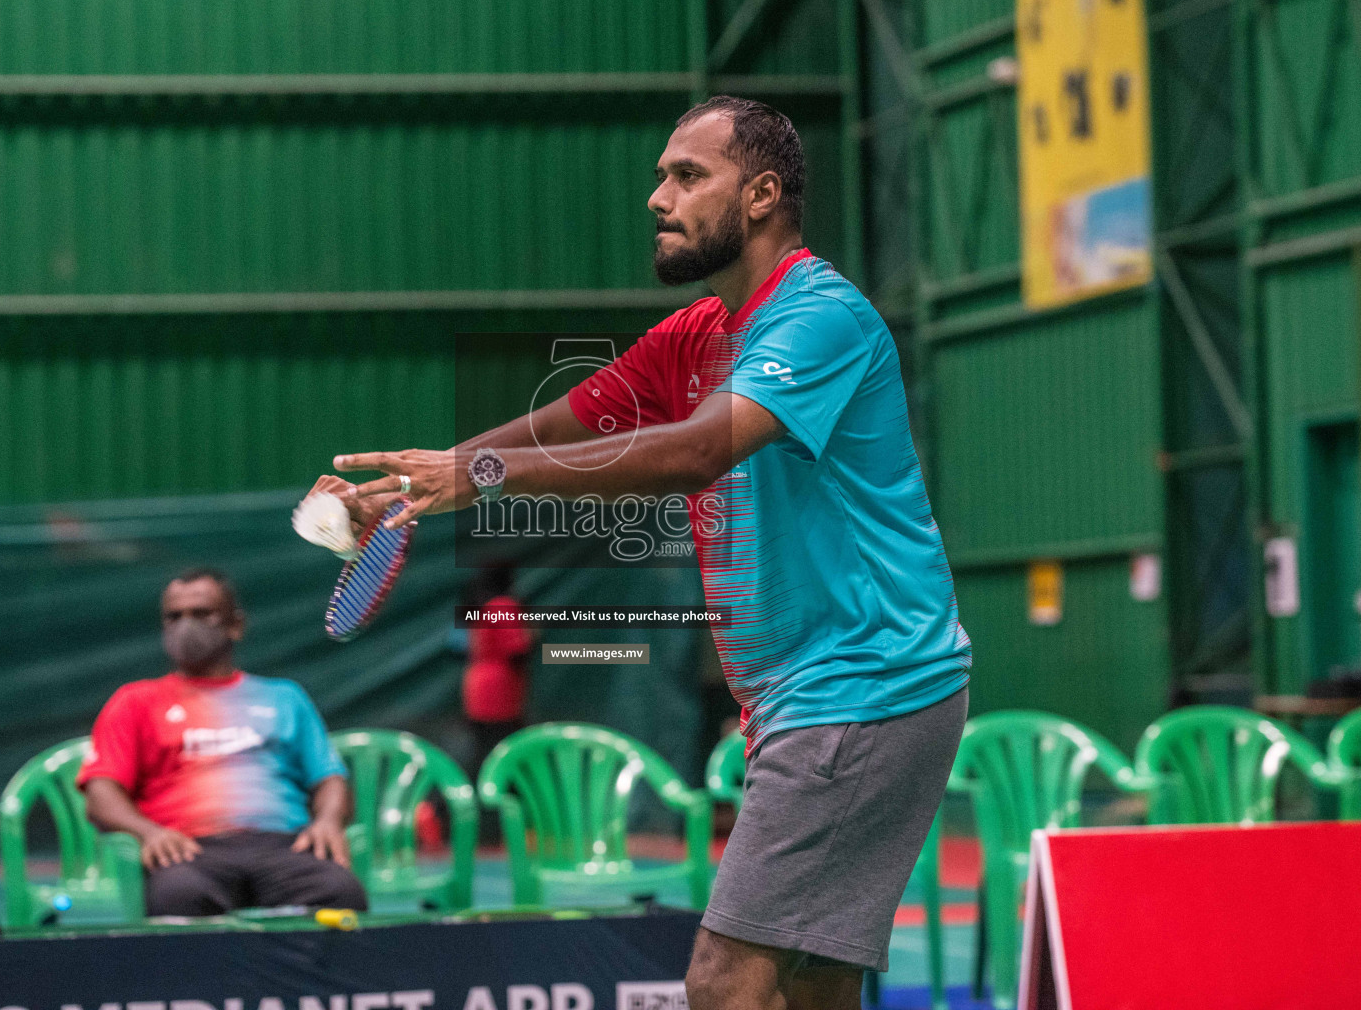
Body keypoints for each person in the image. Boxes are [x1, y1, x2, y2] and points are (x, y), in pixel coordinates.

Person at [312, 96, 970, 1010]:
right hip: (814, 696)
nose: (658, 197)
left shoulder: (820, 319)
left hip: (862, 686)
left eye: (687, 176)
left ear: (762, 195)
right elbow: (560, 423)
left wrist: (482, 475)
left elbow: (699, 449)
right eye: (662, 174)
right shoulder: (693, 337)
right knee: (813, 988)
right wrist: (421, 482)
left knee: (722, 981)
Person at [77, 568, 367, 917]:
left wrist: (328, 822)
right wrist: (148, 833)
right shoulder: (134, 701)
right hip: (187, 851)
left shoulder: (285, 697)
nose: (186, 625)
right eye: (174, 616)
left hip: (284, 846)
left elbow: (330, 779)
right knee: (178, 897)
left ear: (236, 625)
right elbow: (100, 796)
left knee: (340, 891)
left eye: (201, 613)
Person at [459, 563, 533, 842]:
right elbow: (517, 650)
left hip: (477, 691)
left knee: (484, 759)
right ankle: (497, 832)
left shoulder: (482, 605)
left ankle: (483, 831)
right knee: (503, 761)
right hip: (498, 695)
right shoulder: (503, 605)